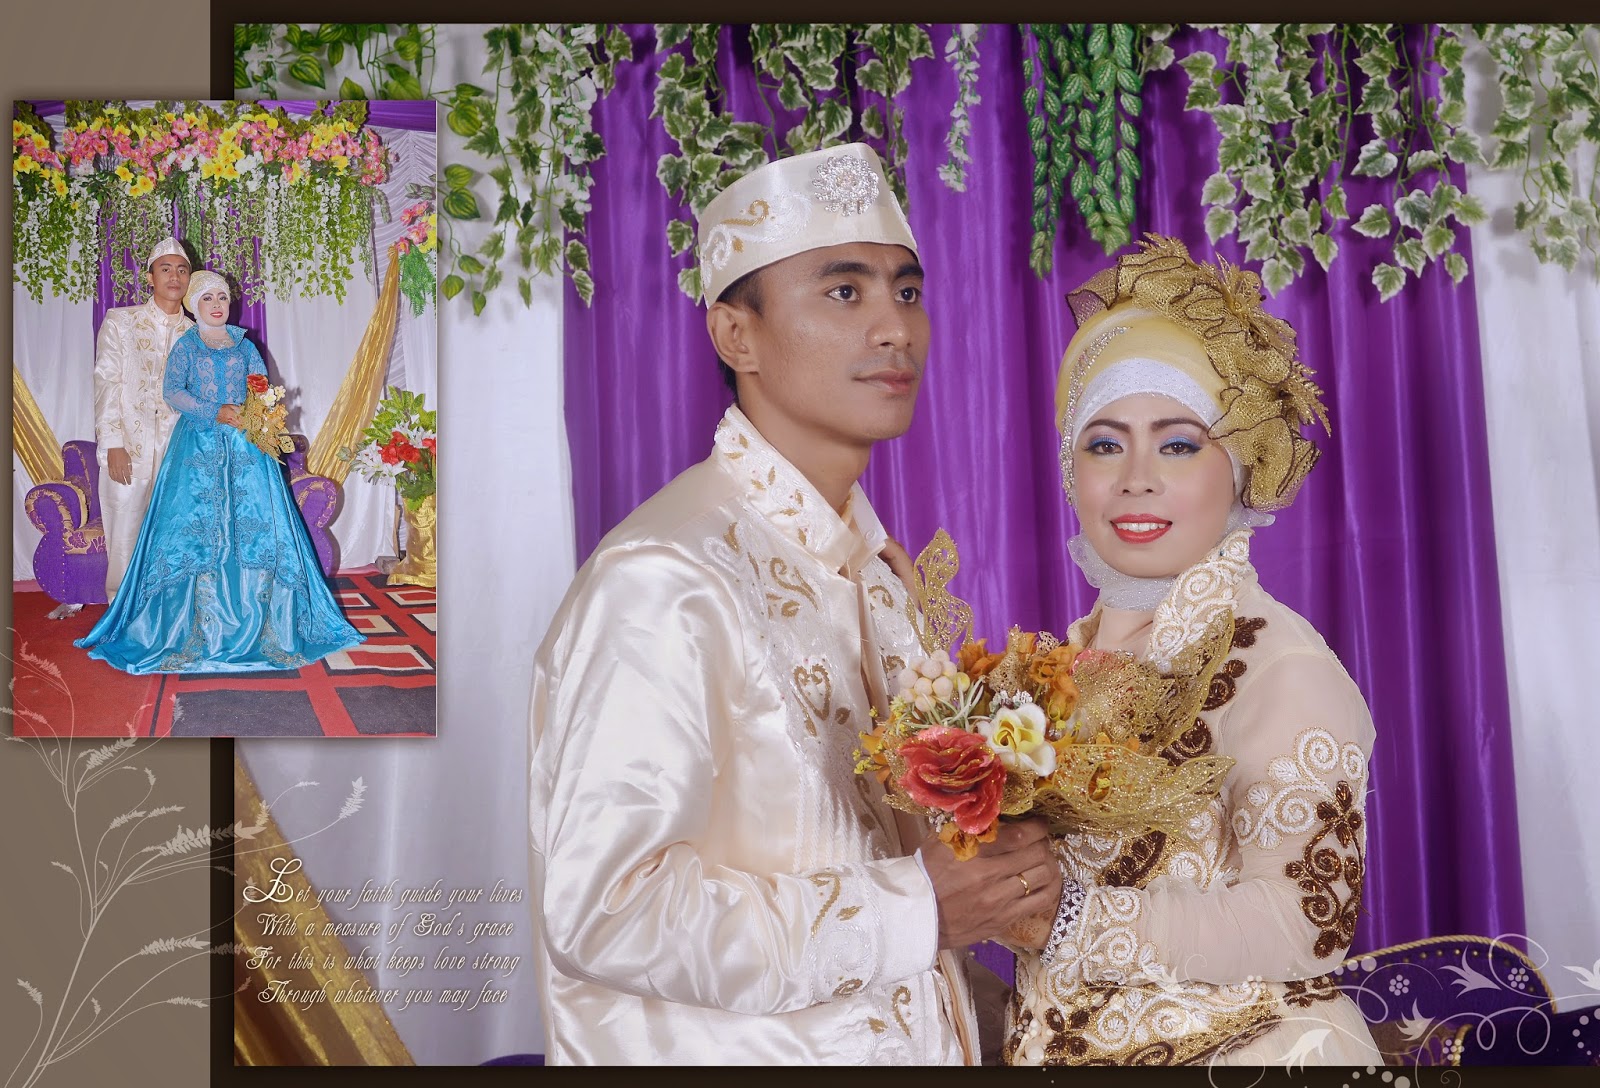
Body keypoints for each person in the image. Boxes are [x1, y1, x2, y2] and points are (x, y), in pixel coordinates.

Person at [528, 144, 1055, 1065]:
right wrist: (914, 910)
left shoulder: (876, 575)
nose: (894, 328)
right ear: (736, 336)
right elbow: (608, 909)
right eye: (844, 292)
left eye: (907, 292)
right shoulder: (667, 576)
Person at [999, 235, 1382, 1067]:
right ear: (1071, 470)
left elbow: (1306, 923)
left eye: (1178, 443)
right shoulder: (1057, 668)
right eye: (1104, 443)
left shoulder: (1280, 667)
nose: (1136, 477)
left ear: (1239, 469)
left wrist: (1069, 919)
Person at [76, 271, 363, 675]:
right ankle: (189, 629)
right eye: (207, 297)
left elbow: (261, 389)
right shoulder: (187, 344)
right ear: (194, 304)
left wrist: (259, 416)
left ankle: (262, 626)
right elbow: (172, 392)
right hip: (196, 447)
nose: (216, 304)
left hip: (247, 450)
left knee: (254, 528)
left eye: (223, 297)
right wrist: (216, 412)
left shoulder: (245, 345)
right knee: (195, 530)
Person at [49, 237, 194, 620]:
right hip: (129, 447)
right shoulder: (121, 322)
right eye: (165, 269)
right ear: (150, 277)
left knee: (174, 533)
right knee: (124, 533)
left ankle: (169, 616)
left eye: (182, 270)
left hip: (179, 450)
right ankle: (122, 615)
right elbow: (106, 383)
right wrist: (112, 443)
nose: (174, 276)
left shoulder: (195, 333)